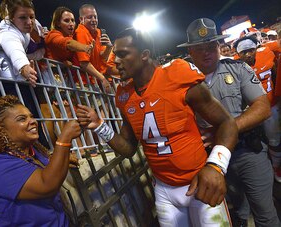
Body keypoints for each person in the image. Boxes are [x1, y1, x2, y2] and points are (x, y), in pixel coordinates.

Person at [77, 27, 238, 226]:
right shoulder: (124, 94)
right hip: (164, 191)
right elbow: (128, 148)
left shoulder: (177, 75)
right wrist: (100, 125)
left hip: (199, 182)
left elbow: (226, 122)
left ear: (144, 55)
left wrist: (216, 166)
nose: (115, 61)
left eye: (122, 54)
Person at [178, 18, 279, 227]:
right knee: (237, 211)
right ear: (190, 52)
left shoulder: (237, 69)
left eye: (210, 46)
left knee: (265, 214)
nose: (206, 52)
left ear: (218, 46)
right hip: (210, 162)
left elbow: (262, 108)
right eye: (199, 48)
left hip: (247, 153)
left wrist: (224, 132)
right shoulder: (181, 82)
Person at [0, 95, 81, 226]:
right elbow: (47, 185)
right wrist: (64, 139)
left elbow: (46, 170)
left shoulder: (33, 153)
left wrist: (60, 159)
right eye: (22, 119)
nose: (33, 121)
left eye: (31, 116)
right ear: (0, 131)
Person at [0, 0, 50, 148]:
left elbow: (37, 47)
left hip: (18, 79)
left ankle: (42, 150)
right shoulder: (6, 31)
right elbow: (14, 49)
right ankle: (34, 151)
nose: (29, 22)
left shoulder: (29, 24)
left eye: (31, 17)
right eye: (23, 18)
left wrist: (41, 39)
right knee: (22, 117)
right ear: (11, 18)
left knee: (33, 115)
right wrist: (24, 67)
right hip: (2, 81)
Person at [43, 6, 94, 148]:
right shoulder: (53, 34)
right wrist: (85, 47)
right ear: (58, 23)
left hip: (65, 78)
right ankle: (73, 149)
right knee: (63, 114)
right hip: (52, 79)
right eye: (67, 20)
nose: (71, 23)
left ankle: (81, 147)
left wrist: (65, 62)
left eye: (72, 20)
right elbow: (66, 44)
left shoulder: (70, 36)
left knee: (71, 113)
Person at [233, 35, 281, 182]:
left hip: (271, 105)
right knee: (254, 142)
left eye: (251, 50)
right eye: (243, 52)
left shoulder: (267, 52)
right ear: (238, 54)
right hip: (250, 109)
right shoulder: (234, 65)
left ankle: (276, 167)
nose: (248, 54)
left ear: (256, 48)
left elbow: (275, 69)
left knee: (274, 139)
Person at [73, 3, 112, 94]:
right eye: (90, 17)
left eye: (95, 17)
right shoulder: (80, 32)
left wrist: (109, 47)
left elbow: (103, 56)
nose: (94, 20)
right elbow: (84, 63)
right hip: (83, 82)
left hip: (95, 81)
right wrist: (103, 79)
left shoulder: (98, 32)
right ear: (81, 19)